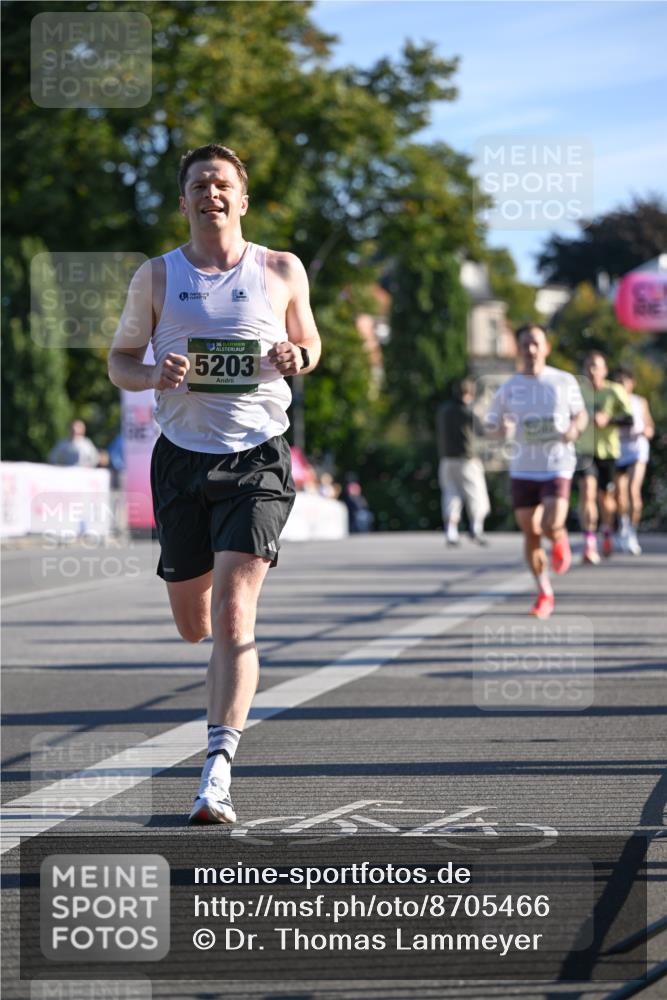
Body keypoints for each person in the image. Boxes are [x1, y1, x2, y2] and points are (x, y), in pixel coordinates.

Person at [108, 143, 321, 825]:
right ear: (184, 201)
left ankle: (216, 772)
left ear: (242, 198)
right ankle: (214, 682)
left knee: (234, 614)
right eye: (198, 184)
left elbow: (311, 346)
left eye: (223, 183)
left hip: (255, 458)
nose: (211, 193)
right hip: (180, 459)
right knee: (192, 623)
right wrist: (152, 375)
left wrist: (297, 356)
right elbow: (119, 360)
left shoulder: (280, 269)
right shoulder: (157, 276)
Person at [485, 324, 588, 619]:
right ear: (517, 349)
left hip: (557, 464)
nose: (530, 349)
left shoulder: (564, 381)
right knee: (530, 532)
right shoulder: (508, 388)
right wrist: (499, 429)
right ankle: (544, 592)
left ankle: (559, 537)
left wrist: (573, 429)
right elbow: (491, 425)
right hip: (523, 468)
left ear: (546, 347)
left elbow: (580, 414)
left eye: (535, 343)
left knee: (552, 522)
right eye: (524, 344)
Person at [576, 351, 633, 563]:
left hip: (608, 452)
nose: (592, 371)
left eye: (596, 366)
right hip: (584, 450)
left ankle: (607, 531)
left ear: (604, 370)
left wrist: (608, 420)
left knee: (606, 499)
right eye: (588, 366)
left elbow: (629, 419)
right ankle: (589, 542)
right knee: (587, 493)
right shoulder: (578, 391)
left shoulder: (614, 391)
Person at [436, 377, 490, 546]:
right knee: (476, 495)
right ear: (469, 393)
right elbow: (483, 431)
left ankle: (451, 532)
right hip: (467, 460)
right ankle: (476, 529)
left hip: (446, 460)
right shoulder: (468, 411)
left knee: (451, 495)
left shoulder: (443, 410)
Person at [613, 366, 654, 555]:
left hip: (637, 450)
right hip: (616, 450)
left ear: (632, 383)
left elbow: (649, 426)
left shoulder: (640, 402)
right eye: (618, 382)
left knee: (633, 491)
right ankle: (622, 524)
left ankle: (632, 533)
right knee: (619, 496)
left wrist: (646, 431)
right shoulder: (610, 401)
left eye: (624, 382)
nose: (621, 385)